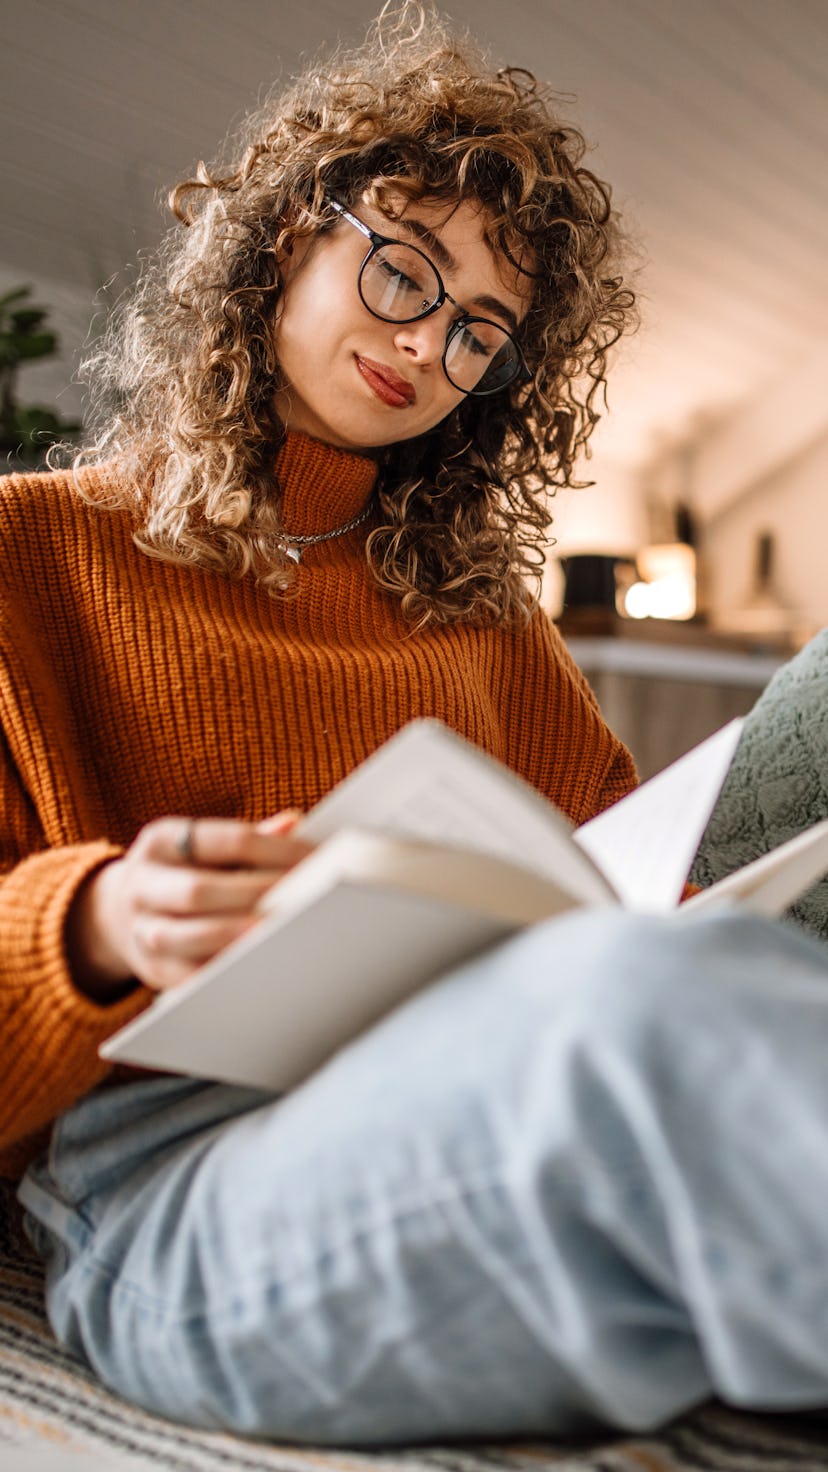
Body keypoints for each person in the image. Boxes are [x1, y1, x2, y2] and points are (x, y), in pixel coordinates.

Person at [3, 1, 828, 1448]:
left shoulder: (481, 617)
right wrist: (101, 922)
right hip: (175, 1165)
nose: (428, 344)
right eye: (402, 270)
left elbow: (613, 873)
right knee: (650, 1011)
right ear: (283, 237)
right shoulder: (27, 558)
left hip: (491, 1065)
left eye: (477, 334)